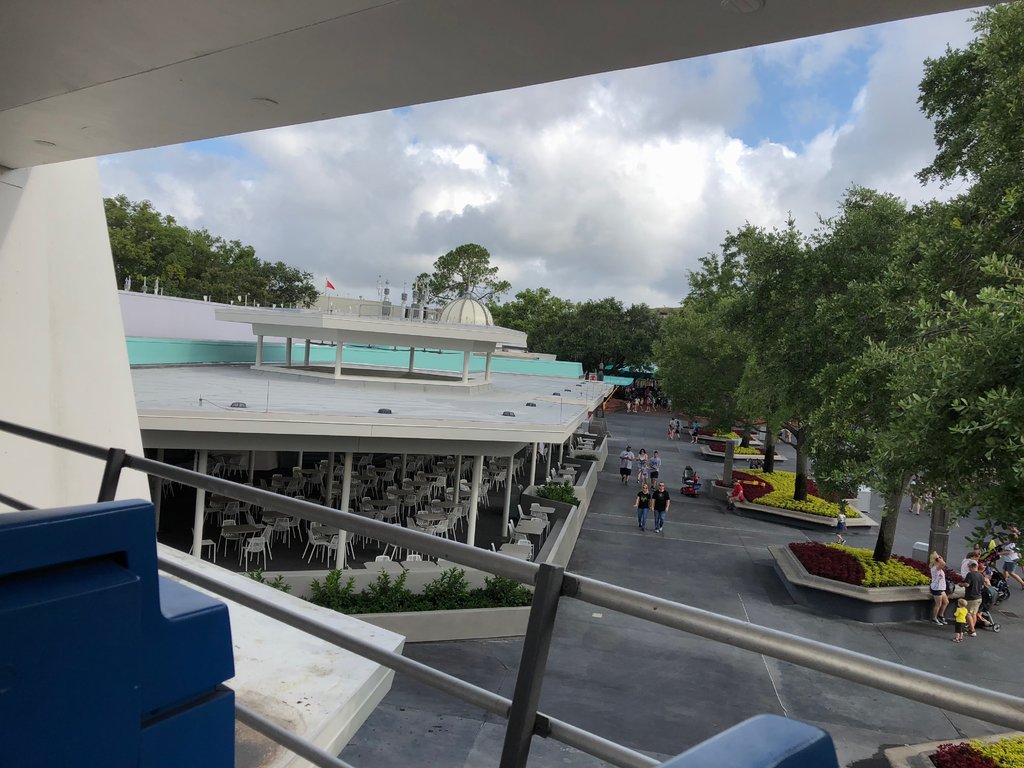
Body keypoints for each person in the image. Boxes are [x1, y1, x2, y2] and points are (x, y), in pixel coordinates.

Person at [963, 559, 985, 635]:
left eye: (968, 566)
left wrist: (961, 584)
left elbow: (967, 584)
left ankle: (972, 630)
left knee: (968, 613)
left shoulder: (970, 574)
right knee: (974, 614)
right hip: (979, 597)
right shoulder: (981, 575)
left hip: (971, 597)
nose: (968, 568)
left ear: (971, 566)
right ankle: (971, 628)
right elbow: (982, 587)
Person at [928, 552, 949, 626]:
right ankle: (934, 618)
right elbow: (943, 564)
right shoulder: (935, 568)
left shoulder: (938, 567)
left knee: (946, 602)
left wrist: (939, 558)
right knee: (938, 604)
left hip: (941, 588)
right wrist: (940, 559)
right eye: (938, 559)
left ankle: (940, 615)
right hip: (936, 588)